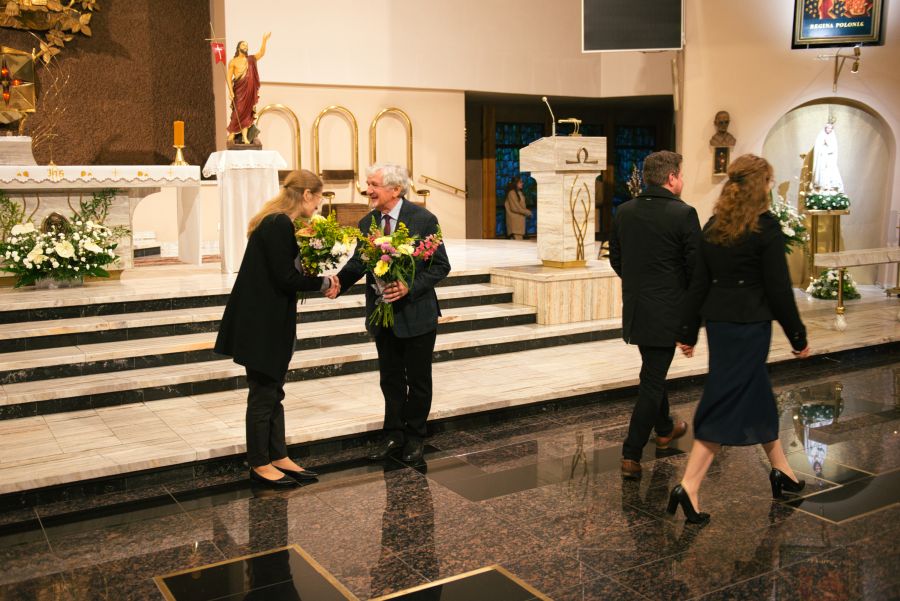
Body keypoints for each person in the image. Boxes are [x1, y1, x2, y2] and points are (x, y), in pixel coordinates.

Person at [671, 154, 810, 524]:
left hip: (720, 326)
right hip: (750, 328)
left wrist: (687, 331)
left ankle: (782, 470)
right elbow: (779, 290)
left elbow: (699, 283)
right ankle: (689, 485)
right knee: (725, 400)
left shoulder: (714, 225)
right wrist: (797, 336)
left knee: (756, 393)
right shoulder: (765, 228)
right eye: (768, 182)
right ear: (760, 186)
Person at [214, 169, 337, 487]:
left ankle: (277, 455)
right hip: (262, 323)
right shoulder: (278, 223)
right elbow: (286, 278)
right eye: (318, 197)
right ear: (306, 194)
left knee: (273, 391)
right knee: (263, 393)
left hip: (268, 319)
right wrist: (323, 282)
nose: (319, 205)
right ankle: (259, 462)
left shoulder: (277, 221)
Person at [331, 163, 451, 465]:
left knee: (418, 381)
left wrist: (409, 286)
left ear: (395, 189)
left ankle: (415, 437)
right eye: (368, 184)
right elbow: (359, 263)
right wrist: (337, 283)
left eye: (374, 185)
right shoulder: (368, 222)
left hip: (417, 314)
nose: (367, 190)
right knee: (390, 379)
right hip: (382, 315)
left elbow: (441, 266)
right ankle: (394, 434)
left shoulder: (423, 219)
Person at [609, 150, 701, 478]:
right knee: (651, 380)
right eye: (681, 174)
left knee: (652, 372)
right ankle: (631, 453)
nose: (682, 180)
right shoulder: (684, 213)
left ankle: (664, 429)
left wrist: (640, 286)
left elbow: (616, 258)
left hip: (637, 309)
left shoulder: (625, 211)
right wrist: (691, 321)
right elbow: (696, 270)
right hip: (668, 312)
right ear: (672, 177)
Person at [227, 33, 270, 144]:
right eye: (243, 45)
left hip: (249, 90)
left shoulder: (250, 59)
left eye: (246, 45)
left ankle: (245, 137)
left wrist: (264, 40)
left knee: (246, 114)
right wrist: (230, 91)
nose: (245, 47)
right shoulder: (233, 61)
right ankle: (232, 132)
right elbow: (228, 78)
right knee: (238, 111)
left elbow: (261, 53)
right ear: (238, 47)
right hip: (239, 90)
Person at [811, 122, 844, 193]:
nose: (829, 129)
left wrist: (828, 144)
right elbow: (818, 148)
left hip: (829, 158)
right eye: (828, 128)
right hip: (822, 158)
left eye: (830, 128)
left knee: (830, 171)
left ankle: (830, 187)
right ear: (825, 128)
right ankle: (822, 187)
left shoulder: (833, 138)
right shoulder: (821, 136)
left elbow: (833, 149)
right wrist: (823, 145)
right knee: (822, 171)